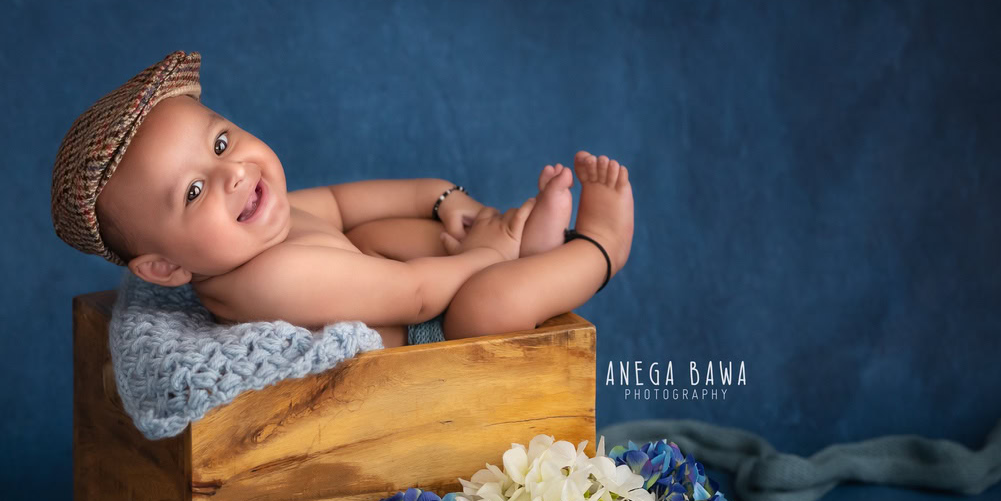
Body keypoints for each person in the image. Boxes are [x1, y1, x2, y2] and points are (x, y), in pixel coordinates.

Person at [51, 51, 634, 348]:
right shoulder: (268, 277)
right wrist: (489, 250)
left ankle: (532, 248)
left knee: (376, 233)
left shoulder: (256, 230)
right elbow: (413, 294)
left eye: (221, 141)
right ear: (166, 267)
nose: (232, 173)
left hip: (411, 289)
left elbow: (341, 200)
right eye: (195, 191)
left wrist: (439, 197)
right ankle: (597, 249)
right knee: (488, 306)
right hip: (428, 336)